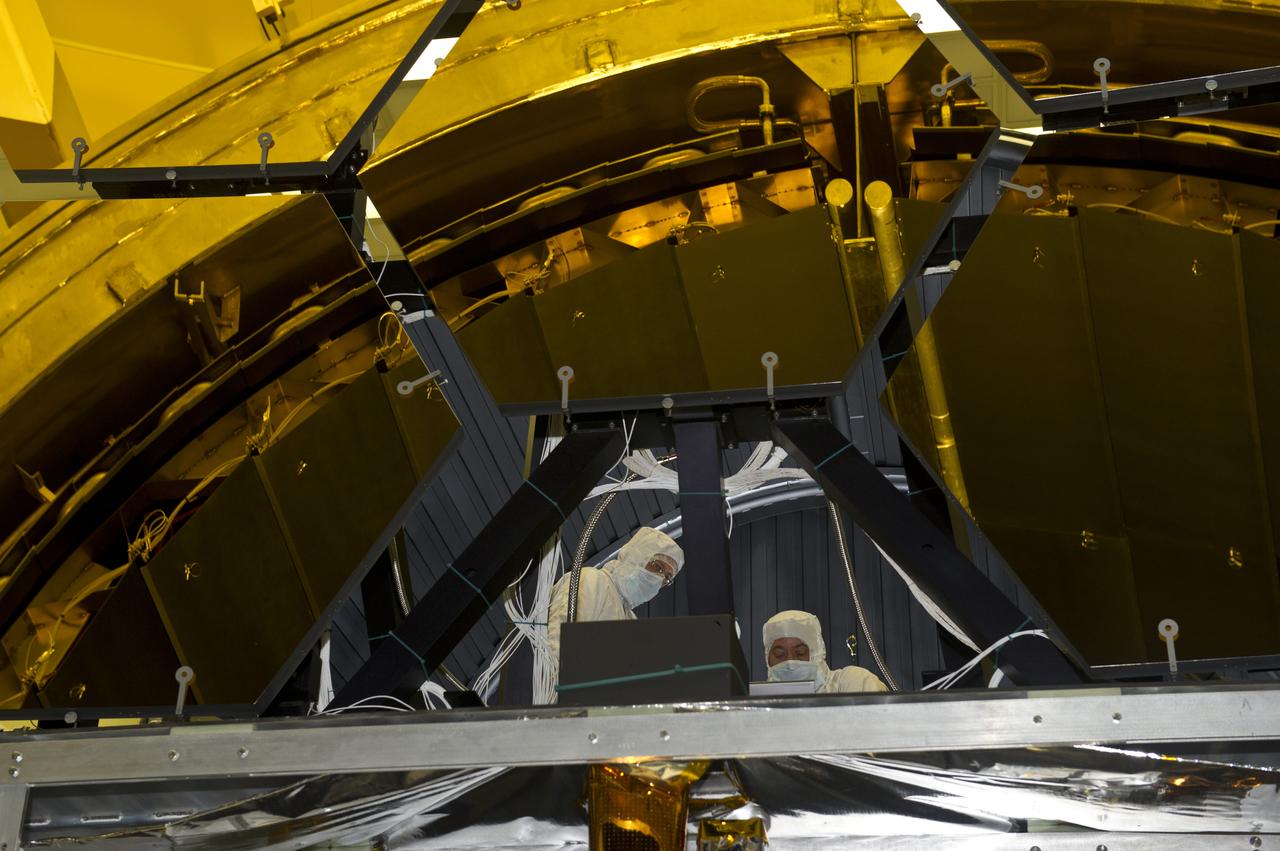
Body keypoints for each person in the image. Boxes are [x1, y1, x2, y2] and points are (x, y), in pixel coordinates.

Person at [547, 527, 684, 667]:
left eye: (667, 577)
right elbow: (557, 643)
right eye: (658, 567)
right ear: (636, 556)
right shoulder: (591, 580)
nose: (659, 579)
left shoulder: (630, 618)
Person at [763, 609, 887, 693]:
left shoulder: (852, 682)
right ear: (768, 659)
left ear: (816, 653)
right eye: (779, 655)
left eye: (800, 652)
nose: (790, 662)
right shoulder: (759, 702)